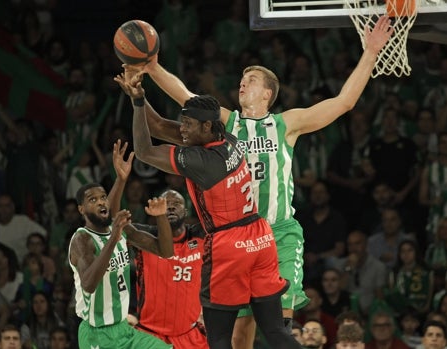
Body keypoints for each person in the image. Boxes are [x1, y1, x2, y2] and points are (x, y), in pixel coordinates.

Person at [122, 14, 394, 348]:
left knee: (279, 325)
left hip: (277, 234)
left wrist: (370, 52)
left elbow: (343, 102)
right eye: (241, 78)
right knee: (240, 336)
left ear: (268, 93)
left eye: (250, 79)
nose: (242, 82)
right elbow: (186, 98)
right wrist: (152, 68)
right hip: (237, 239)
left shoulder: (286, 124)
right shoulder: (227, 123)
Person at [115, 72, 298, 349]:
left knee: (219, 338)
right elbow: (160, 126)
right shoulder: (231, 139)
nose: (183, 130)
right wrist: (138, 97)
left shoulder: (201, 161)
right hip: (261, 238)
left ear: (206, 127)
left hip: (229, 244)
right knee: (275, 331)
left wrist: (139, 104)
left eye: (188, 125)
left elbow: (143, 150)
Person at [68, 140, 174, 349]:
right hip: (96, 334)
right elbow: (89, 284)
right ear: (81, 209)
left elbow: (166, 251)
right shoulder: (82, 239)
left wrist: (161, 217)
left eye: (103, 197)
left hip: (123, 329)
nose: (100, 202)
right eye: (92, 200)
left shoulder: (121, 229)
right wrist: (114, 237)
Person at [108, 139, 208, 348]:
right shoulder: (146, 239)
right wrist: (120, 180)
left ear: (186, 211)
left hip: (189, 335)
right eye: (165, 204)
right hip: (150, 335)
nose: (170, 208)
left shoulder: (200, 236)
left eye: (176, 204)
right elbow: (114, 219)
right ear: (155, 210)